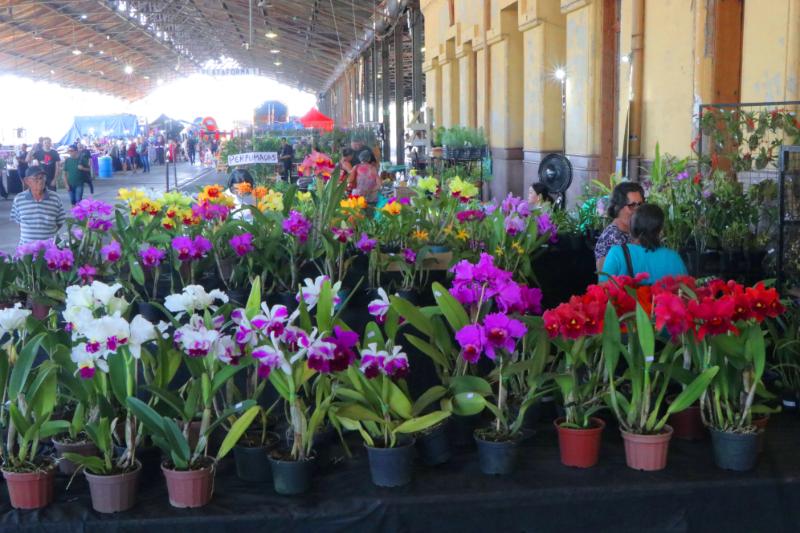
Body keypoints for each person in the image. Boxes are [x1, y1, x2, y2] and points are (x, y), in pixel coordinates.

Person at [599, 204, 687, 284]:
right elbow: (686, 294)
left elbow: (603, 291)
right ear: (660, 231)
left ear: (632, 227)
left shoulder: (617, 253)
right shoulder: (674, 258)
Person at [594, 181, 645, 273]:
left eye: (640, 204)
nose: (638, 210)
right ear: (618, 207)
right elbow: (606, 279)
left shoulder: (634, 231)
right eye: (632, 205)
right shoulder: (611, 237)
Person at [11, 167, 66, 245]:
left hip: (50, 249)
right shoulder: (19, 199)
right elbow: (19, 223)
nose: (41, 181)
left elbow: (60, 222)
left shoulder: (55, 197)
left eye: (42, 178)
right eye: (36, 178)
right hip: (27, 249)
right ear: (27, 181)